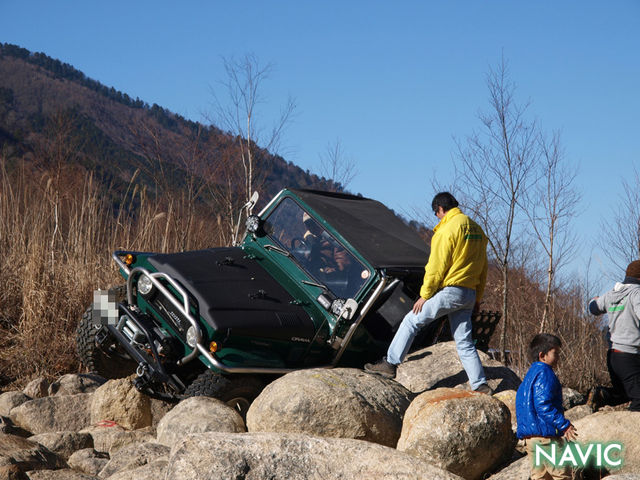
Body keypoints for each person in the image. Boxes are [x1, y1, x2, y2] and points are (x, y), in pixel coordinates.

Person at [364, 192, 491, 393]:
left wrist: (425, 294)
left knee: (411, 321)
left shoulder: (447, 229)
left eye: (436, 213)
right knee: (465, 343)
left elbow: (436, 266)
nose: (437, 217)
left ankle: (390, 363)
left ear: (440, 208)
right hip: (468, 293)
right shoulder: (477, 230)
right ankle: (480, 384)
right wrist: (478, 297)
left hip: (450, 291)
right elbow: (483, 267)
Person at [516, 333, 578, 480]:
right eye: (555, 353)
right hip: (546, 438)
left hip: (531, 438)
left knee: (540, 476)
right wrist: (564, 425)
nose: (558, 358)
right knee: (561, 474)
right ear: (542, 355)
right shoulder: (545, 373)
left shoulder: (530, 375)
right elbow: (543, 405)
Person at [587, 260, 640, 412]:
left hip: (614, 356)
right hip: (630, 355)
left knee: (623, 393)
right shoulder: (636, 293)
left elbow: (593, 308)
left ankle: (602, 395)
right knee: (638, 399)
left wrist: (594, 300)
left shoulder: (613, 293)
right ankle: (630, 433)